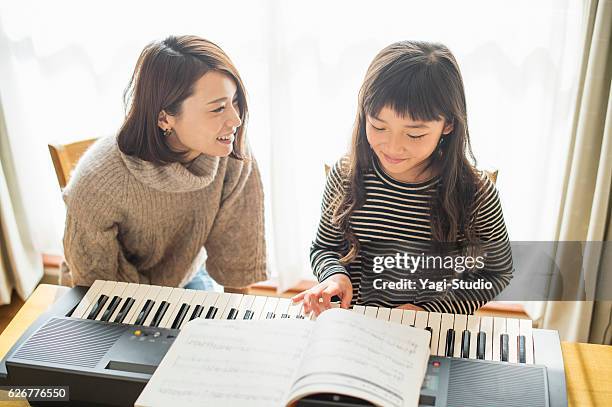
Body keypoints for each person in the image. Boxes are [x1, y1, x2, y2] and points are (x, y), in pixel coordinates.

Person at [293, 41, 512, 315]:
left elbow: (496, 273)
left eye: (415, 134)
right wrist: (335, 276)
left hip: (430, 329)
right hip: (355, 325)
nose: (393, 146)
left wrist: (432, 310)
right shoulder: (346, 175)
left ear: (448, 125)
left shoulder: (476, 193)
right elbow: (324, 248)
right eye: (378, 126)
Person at [60, 35, 267, 290]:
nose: (235, 120)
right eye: (217, 108)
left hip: (185, 277)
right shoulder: (100, 178)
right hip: (107, 289)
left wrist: (234, 327)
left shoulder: (232, 153)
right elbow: (95, 281)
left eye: (235, 101)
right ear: (164, 118)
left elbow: (236, 263)